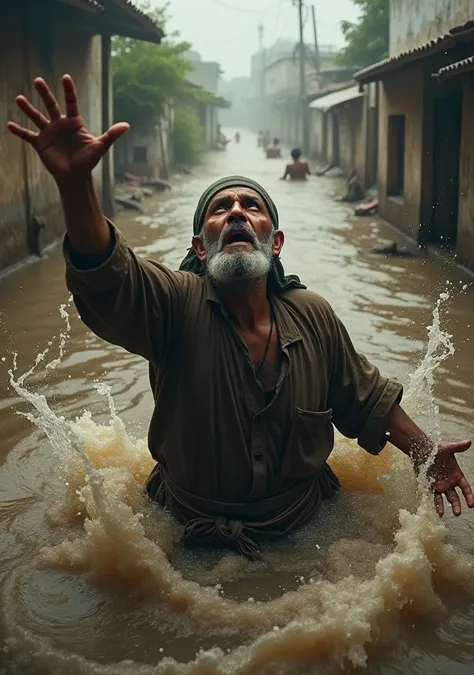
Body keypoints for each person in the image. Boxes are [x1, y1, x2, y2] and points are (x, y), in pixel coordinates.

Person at [9, 75, 473, 559]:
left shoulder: (311, 313)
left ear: (275, 243)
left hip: (306, 524)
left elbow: (365, 399)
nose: (236, 213)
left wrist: (425, 450)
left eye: (251, 206)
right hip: (191, 535)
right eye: (220, 208)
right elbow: (111, 277)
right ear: (199, 247)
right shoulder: (174, 304)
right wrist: (76, 185)